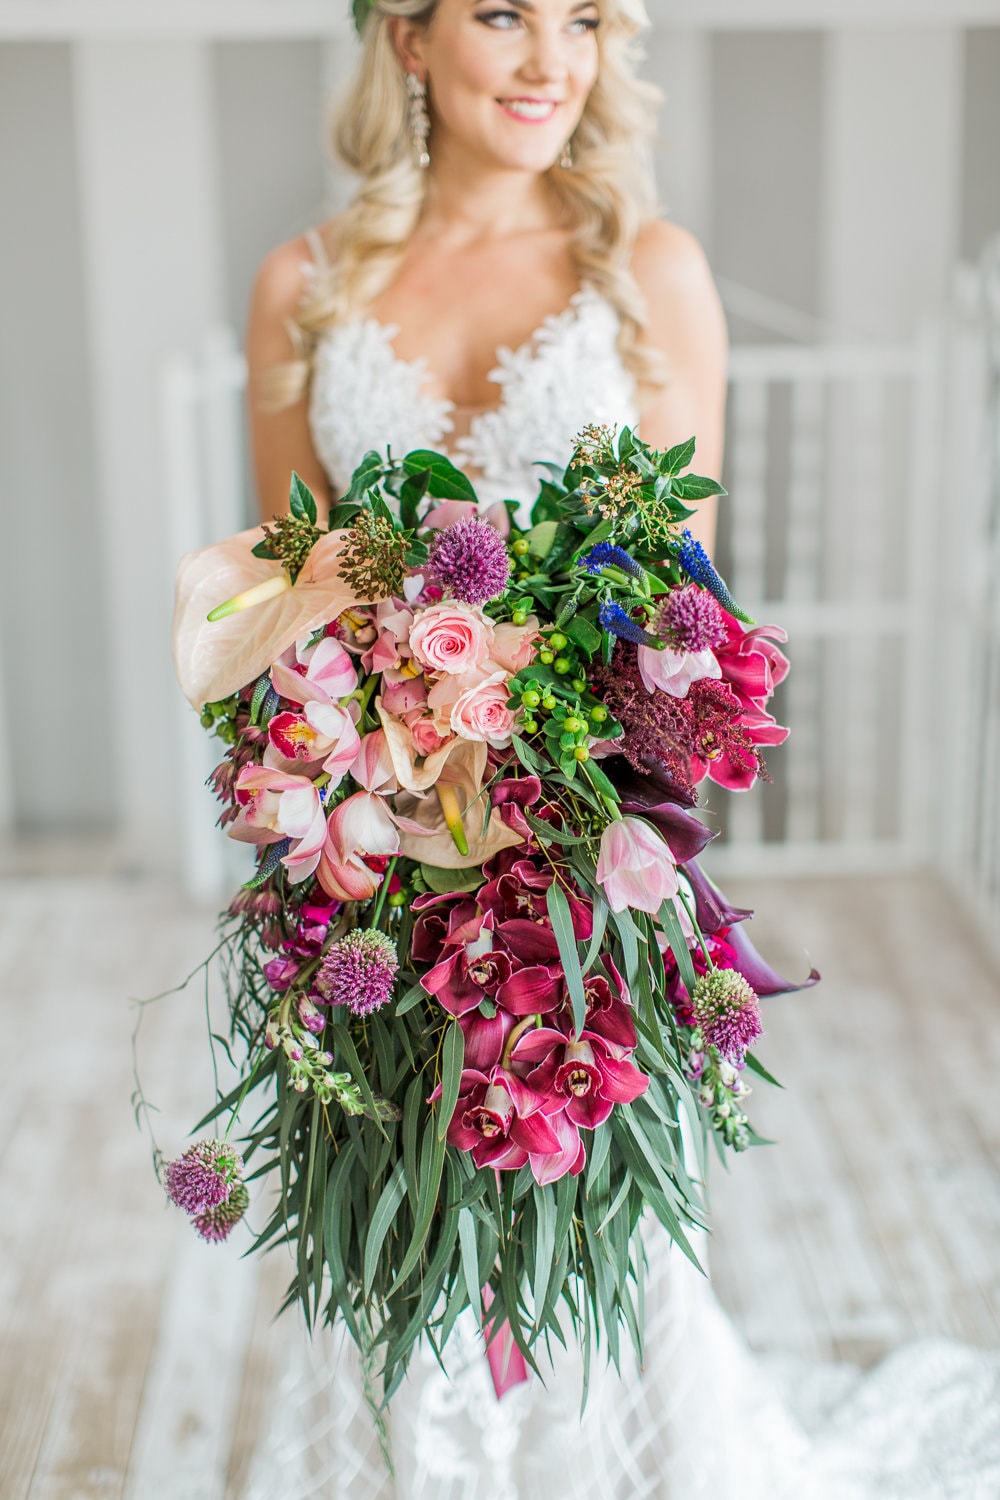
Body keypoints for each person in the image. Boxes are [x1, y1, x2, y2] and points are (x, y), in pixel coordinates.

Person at [238, 0, 1000, 1495]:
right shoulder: (306, 284)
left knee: (582, 1189)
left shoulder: (644, 273)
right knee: (396, 1175)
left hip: (581, 827)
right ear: (406, 36)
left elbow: (684, 609)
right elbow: (294, 595)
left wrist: (567, 804)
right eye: (504, 14)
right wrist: (335, 781)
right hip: (377, 840)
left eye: (584, 17)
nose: (549, 59)